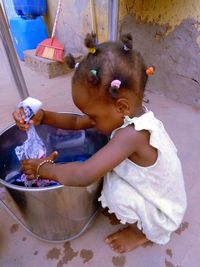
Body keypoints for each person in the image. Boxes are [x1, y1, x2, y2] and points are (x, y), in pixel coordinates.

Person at [13, 33, 187, 253]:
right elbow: (76, 122)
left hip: (162, 207)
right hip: (150, 186)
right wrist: (44, 116)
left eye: (93, 116)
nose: (89, 120)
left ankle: (142, 233)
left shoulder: (132, 135)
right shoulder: (123, 114)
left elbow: (84, 174)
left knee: (114, 193)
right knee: (107, 171)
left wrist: (44, 169)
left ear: (121, 107)